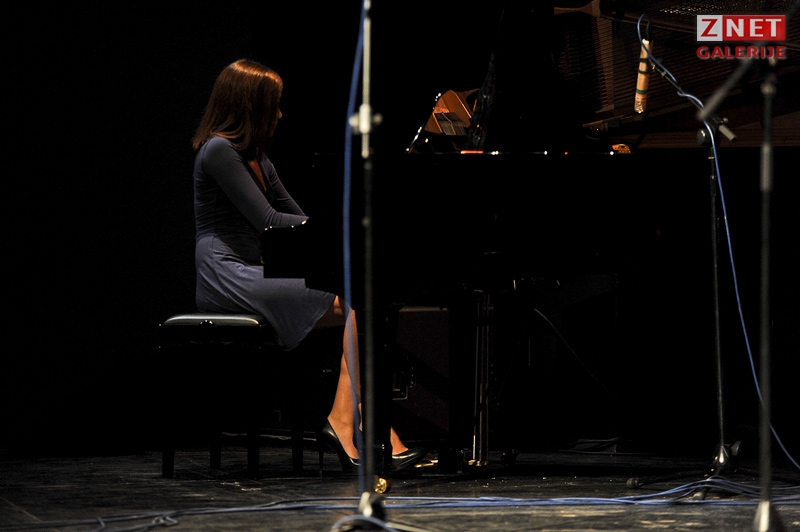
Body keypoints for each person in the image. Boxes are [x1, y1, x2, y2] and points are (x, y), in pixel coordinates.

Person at [191, 58, 426, 473]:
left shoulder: (258, 158)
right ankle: (355, 423)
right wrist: (339, 229)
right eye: (274, 105)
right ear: (250, 105)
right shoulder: (218, 151)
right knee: (359, 303)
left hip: (253, 270)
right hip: (226, 274)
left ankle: (351, 420)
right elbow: (268, 220)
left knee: (366, 302)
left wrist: (342, 228)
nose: (280, 115)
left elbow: (299, 218)